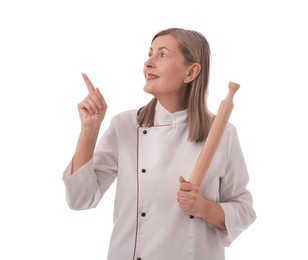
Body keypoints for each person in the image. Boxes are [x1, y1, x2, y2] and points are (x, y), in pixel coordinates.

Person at [63, 27, 256, 260]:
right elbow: (80, 199)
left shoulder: (222, 133)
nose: (148, 63)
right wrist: (89, 129)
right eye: (149, 53)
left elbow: (244, 210)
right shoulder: (125, 125)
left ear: (191, 72)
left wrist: (204, 207)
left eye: (162, 54)